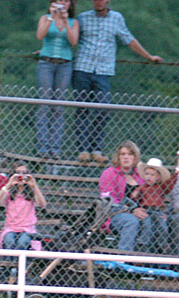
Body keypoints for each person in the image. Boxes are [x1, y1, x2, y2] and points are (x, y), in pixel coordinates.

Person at [73, 0, 162, 164]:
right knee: (82, 108)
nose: (98, 2)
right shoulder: (83, 18)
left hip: (103, 71)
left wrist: (148, 57)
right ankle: (83, 150)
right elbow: (70, 37)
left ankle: (96, 148)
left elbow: (128, 39)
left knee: (103, 108)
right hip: (83, 68)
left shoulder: (116, 18)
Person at [35, 0, 78, 159]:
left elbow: (73, 41)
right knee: (44, 103)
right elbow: (40, 35)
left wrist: (66, 21)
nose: (63, 4)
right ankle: (42, 147)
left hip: (64, 64)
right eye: (59, 1)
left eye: (66, 1)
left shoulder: (74, 22)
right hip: (46, 63)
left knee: (59, 106)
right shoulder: (45, 18)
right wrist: (52, 18)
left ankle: (55, 148)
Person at [98, 140, 147, 251]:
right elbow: (109, 200)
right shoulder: (109, 173)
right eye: (123, 154)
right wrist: (132, 210)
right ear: (118, 157)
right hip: (115, 214)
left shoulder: (140, 175)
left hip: (140, 211)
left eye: (130, 154)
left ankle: (150, 261)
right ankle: (123, 259)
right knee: (131, 221)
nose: (126, 157)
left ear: (135, 157)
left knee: (155, 220)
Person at [0, 162, 47, 251]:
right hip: (11, 227)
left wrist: (34, 186)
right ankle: (10, 263)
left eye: (24, 173)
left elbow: (42, 204)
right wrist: (9, 184)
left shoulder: (31, 193)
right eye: (18, 173)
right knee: (9, 241)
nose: (21, 176)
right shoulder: (9, 192)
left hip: (27, 228)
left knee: (23, 242)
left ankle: (18, 263)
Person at [131, 158, 173, 254]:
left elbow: (170, 186)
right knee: (147, 225)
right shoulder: (142, 187)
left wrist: (176, 172)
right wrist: (135, 194)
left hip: (157, 211)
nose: (148, 177)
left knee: (163, 227)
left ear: (158, 177)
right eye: (147, 174)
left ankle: (162, 247)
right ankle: (143, 245)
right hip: (145, 210)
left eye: (152, 175)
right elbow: (134, 198)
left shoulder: (161, 187)